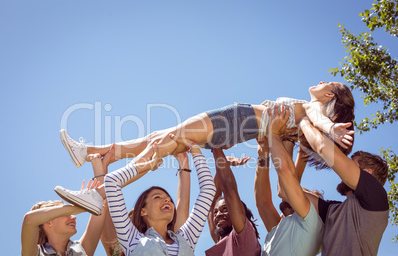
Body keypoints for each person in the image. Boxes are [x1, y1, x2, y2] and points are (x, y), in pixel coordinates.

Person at [60, 82, 355, 170]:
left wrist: (331, 130)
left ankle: (112, 180)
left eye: (327, 84)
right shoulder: (295, 126)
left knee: (168, 138)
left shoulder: (313, 109)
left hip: (238, 118)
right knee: (158, 138)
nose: (320, 83)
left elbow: (319, 121)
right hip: (237, 130)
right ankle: (89, 152)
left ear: (329, 96)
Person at [55, 139, 216, 256]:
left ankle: (87, 151)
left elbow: (208, 191)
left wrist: (194, 150)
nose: (167, 199)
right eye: (157, 197)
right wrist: (147, 164)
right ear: (142, 211)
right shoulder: (131, 239)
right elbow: (112, 182)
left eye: (168, 198)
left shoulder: (186, 238)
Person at [298, 103, 389, 256]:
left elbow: (323, 146)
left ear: (367, 174)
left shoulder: (377, 196)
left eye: (351, 164)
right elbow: (286, 191)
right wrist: (297, 149)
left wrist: (303, 121)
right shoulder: (333, 211)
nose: (343, 168)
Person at [254, 106, 324, 256]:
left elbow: (287, 185)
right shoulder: (283, 227)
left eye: (305, 193)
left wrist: (286, 140)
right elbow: (263, 201)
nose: (298, 193)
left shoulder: (314, 224)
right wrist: (263, 154)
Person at [21, 148, 115, 256]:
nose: (74, 217)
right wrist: (80, 205)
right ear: (48, 222)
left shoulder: (80, 252)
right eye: (65, 212)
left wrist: (98, 164)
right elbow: (29, 220)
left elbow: (100, 207)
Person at [205, 148, 261, 256]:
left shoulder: (244, 237)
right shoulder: (222, 239)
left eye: (225, 209)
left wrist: (216, 148)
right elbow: (211, 205)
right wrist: (224, 163)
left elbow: (229, 190)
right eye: (216, 212)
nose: (217, 214)